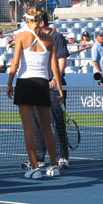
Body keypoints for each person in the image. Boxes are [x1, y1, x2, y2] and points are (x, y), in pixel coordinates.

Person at [7, 6, 64, 179]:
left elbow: (15, 63)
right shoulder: (49, 39)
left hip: (25, 84)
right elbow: (54, 68)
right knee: (47, 128)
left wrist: (9, 84)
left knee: (29, 129)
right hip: (42, 85)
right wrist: (60, 90)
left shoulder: (21, 37)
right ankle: (54, 166)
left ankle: (35, 169)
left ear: (27, 20)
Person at [27, 10, 69, 170]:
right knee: (37, 123)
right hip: (37, 87)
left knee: (57, 122)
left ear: (41, 22)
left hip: (53, 87)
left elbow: (61, 61)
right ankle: (39, 158)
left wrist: (54, 80)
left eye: (31, 20)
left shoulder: (56, 37)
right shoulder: (33, 39)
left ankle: (62, 157)